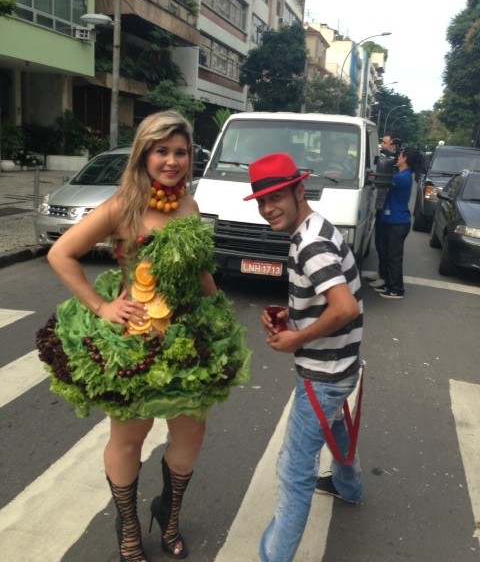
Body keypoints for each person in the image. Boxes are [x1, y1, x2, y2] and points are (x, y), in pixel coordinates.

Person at [43, 111, 251, 562]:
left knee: (190, 438)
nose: (172, 161)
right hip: (134, 340)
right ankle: (129, 528)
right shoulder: (123, 206)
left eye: (180, 152)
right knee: (129, 438)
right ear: (144, 154)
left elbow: (197, 272)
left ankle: (169, 512)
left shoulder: (190, 207)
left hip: (187, 340)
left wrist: (218, 312)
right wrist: (102, 306)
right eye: (162, 151)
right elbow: (61, 254)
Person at [243, 153, 364, 562]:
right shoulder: (316, 228)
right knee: (336, 427)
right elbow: (325, 296)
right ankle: (349, 486)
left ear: (299, 190)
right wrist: (290, 315)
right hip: (340, 364)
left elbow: (345, 308)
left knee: (294, 472)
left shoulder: (310, 242)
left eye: (275, 197)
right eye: (261, 202)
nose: (267, 209)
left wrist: (298, 339)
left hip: (324, 372)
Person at [374, 146, 422, 299]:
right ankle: (388, 284)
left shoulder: (403, 177)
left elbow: (382, 181)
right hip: (392, 220)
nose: (398, 157)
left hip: (398, 222)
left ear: (405, 159)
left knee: (394, 257)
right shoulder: (401, 175)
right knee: (388, 255)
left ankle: (397, 289)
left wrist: (370, 176)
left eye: (400, 155)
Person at [367, 134, 400, 289]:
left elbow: (386, 180)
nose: (382, 144)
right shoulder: (384, 158)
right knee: (379, 242)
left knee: (384, 245)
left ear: (393, 145)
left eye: (385, 142)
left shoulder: (393, 164)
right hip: (378, 205)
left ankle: (385, 276)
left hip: (387, 209)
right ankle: (381, 272)